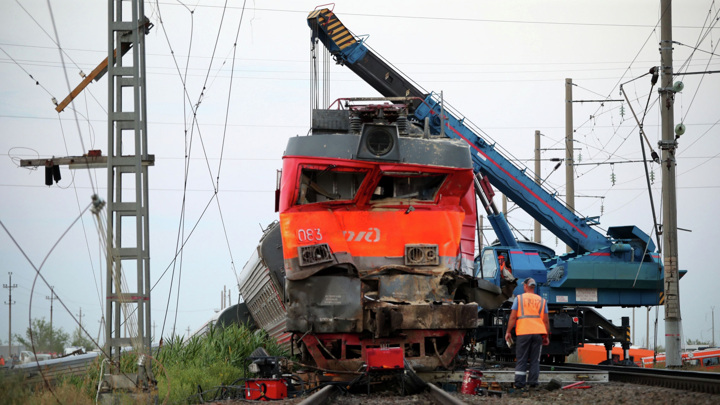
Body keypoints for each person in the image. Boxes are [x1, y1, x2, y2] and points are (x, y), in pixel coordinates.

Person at [505, 277, 550, 390]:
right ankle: (533, 383)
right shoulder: (542, 301)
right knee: (535, 360)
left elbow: (513, 317)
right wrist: (546, 335)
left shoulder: (519, 299)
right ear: (534, 287)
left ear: (525, 286)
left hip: (524, 332)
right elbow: (546, 320)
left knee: (522, 359)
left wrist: (508, 331)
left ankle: (519, 384)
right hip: (538, 333)